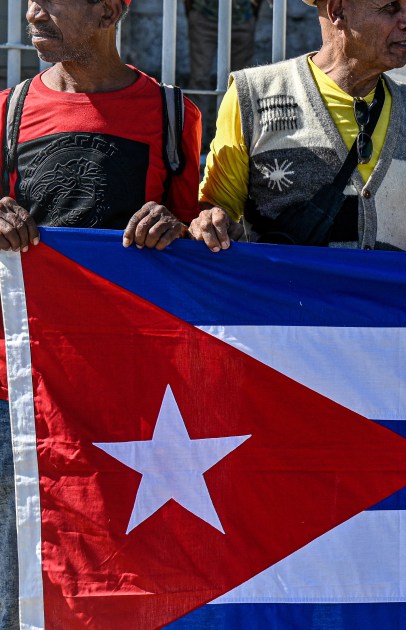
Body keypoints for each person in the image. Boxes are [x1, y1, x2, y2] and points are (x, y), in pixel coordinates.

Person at [0, 0, 204, 625]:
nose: (32, 10)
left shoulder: (174, 115)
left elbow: (205, 246)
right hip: (22, 395)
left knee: (129, 583)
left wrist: (176, 226)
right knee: (20, 586)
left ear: (110, 10)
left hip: (134, 402)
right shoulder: (7, 113)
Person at [189, 0, 406, 252]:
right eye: (390, 6)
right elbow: (217, 210)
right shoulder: (254, 95)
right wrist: (210, 222)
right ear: (337, 10)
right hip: (286, 288)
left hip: (395, 290)